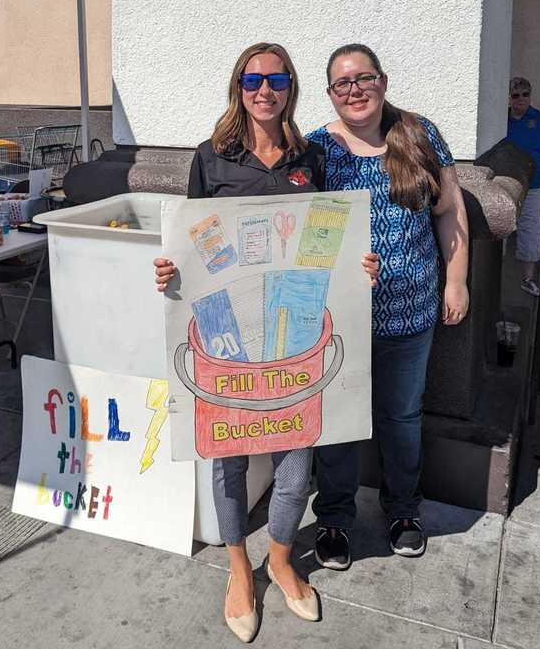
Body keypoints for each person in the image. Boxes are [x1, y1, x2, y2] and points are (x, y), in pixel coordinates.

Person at [153, 42, 378, 642]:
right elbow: (192, 237)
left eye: (275, 78)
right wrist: (170, 271)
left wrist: (361, 268)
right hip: (225, 325)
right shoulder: (211, 156)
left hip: (295, 326)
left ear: (290, 88)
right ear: (239, 86)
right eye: (253, 79)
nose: (264, 89)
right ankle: (236, 569)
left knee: (295, 452)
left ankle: (279, 559)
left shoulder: (309, 157)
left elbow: (330, 234)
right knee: (226, 452)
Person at [307, 44, 469, 570]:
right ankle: (334, 517)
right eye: (342, 83)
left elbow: (450, 211)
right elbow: (302, 229)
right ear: (330, 93)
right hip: (341, 318)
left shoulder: (419, 134)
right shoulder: (316, 149)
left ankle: (403, 510)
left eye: (363, 78)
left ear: (382, 80)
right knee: (338, 423)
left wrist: (458, 281)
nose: (354, 90)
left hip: (411, 311)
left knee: (401, 418)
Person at [506, 76, 540, 297]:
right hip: (506, 182)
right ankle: (495, 276)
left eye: (526, 94)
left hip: (535, 184)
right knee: (502, 226)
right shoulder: (501, 118)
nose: (521, 99)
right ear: (508, 98)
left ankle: (528, 278)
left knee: (531, 230)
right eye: (516, 95)